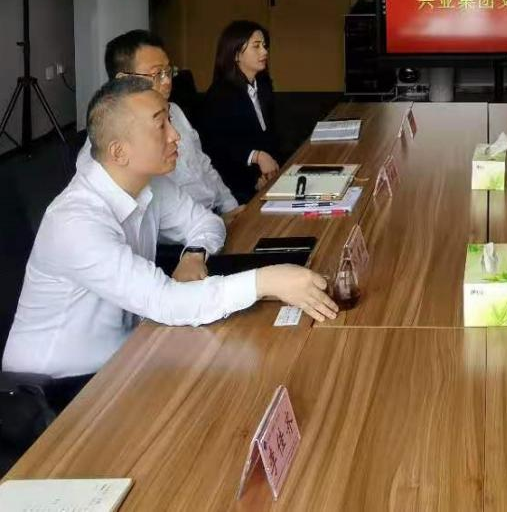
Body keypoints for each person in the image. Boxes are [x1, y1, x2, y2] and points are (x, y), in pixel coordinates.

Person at [2, 78, 337, 410]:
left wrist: (193, 254)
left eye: (170, 121)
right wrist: (267, 280)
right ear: (119, 151)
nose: (175, 135)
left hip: (128, 354)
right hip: (54, 391)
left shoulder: (148, 184)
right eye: (160, 126)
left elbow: (206, 223)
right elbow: (164, 300)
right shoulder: (76, 222)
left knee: (255, 361)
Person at [76, 30, 241, 222]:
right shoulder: (104, 148)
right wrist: (216, 223)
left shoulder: (175, 111)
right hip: (184, 232)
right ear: (123, 80)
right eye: (157, 74)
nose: (167, 81)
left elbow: (203, 163)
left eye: (169, 72)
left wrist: (231, 207)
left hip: (212, 217)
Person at [198, 21, 281, 204]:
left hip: (268, 177)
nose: (264, 52)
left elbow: (271, 136)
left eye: (264, 45)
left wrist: (271, 172)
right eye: (256, 46)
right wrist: (254, 178)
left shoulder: (264, 84)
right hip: (235, 189)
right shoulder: (219, 95)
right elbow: (219, 150)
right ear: (236, 54)